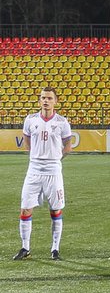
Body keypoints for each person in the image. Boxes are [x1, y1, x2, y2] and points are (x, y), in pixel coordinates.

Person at [14, 87, 72, 261]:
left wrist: (55, 160)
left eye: (49, 98)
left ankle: (55, 249)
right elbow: (27, 141)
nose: (46, 101)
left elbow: (68, 146)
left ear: (55, 101)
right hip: (34, 170)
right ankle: (25, 248)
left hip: (53, 171)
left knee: (55, 209)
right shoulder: (30, 119)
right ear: (39, 100)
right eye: (43, 98)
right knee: (25, 208)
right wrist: (37, 157)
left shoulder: (62, 122)